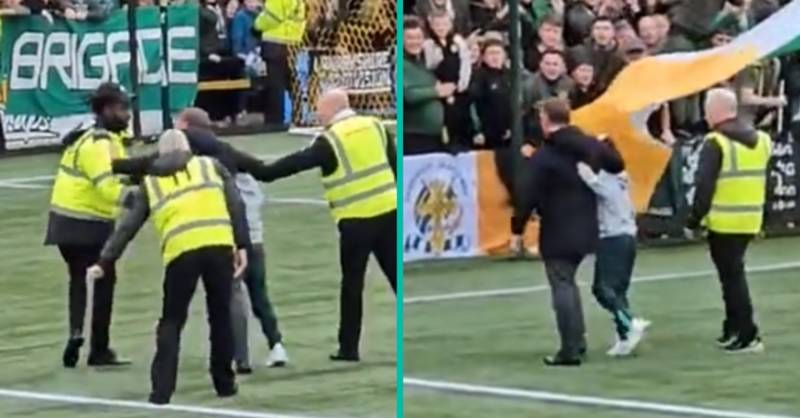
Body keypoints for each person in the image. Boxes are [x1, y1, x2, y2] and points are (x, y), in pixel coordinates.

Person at [112, 107, 290, 371]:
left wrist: (113, 165)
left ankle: (238, 358)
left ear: (184, 126)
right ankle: (276, 344)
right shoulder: (227, 151)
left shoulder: (187, 152)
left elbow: (149, 164)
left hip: (219, 231)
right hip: (251, 228)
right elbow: (264, 171)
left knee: (229, 297)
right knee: (258, 291)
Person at [87, 130, 251, 404]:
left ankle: (161, 390)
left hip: (180, 252)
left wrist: (105, 260)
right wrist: (242, 244)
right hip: (219, 244)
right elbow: (236, 205)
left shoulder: (151, 184)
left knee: (172, 320)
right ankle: (224, 383)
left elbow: (128, 226)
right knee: (220, 316)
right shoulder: (210, 166)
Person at [248, 88, 396, 362]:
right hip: (389, 211)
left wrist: (255, 168)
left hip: (355, 219)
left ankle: (348, 348)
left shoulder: (331, 140)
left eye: (320, 108)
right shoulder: (376, 126)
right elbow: (394, 165)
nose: (318, 113)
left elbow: (289, 166)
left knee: (352, 285)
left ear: (333, 109)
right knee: (396, 276)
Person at [511, 98, 623, 366]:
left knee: (562, 284)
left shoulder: (544, 155)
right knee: (569, 282)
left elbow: (526, 194)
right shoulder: (588, 145)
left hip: (557, 226)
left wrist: (517, 229)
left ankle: (571, 347)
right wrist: (606, 144)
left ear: (545, 120)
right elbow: (617, 164)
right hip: (587, 223)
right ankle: (578, 342)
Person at [45, 82, 133, 369]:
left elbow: (123, 170)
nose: (128, 114)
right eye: (122, 109)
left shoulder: (86, 136)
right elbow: (106, 186)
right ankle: (100, 349)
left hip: (62, 223)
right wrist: (139, 201)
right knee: (104, 280)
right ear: (107, 110)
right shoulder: (99, 144)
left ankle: (76, 332)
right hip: (89, 223)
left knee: (78, 280)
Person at [686, 88, 771, 353]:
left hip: (724, 220)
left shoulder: (716, 142)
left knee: (732, 279)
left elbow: (704, 186)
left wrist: (693, 220)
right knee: (732, 276)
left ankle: (747, 333)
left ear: (715, 111)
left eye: (707, 108)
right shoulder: (763, 140)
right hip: (751, 217)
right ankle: (732, 328)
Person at [576, 140, 650, 357]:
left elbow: (591, 181)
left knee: (602, 289)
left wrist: (582, 166)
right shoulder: (620, 178)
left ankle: (629, 322)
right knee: (618, 289)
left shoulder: (605, 181)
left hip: (613, 238)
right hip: (627, 236)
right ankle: (625, 336)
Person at [404, 15, 453, 155]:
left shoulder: (425, 63)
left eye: (418, 37)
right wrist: (437, 92)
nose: (415, 42)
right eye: (409, 38)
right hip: (414, 137)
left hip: (433, 137)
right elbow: (407, 95)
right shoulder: (402, 65)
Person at [253, 0, 306, 130]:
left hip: (274, 45)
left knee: (275, 86)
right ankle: (298, 117)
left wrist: (256, 25)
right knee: (293, 84)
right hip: (293, 45)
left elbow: (270, 18)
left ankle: (274, 122)